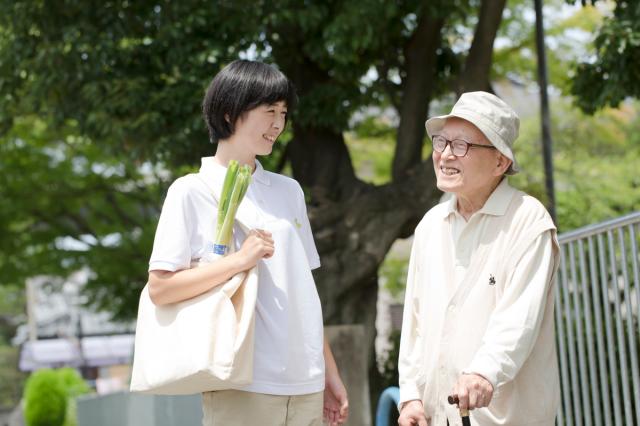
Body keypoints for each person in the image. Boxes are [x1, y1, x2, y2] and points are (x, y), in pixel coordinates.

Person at [147, 59, 349, 426]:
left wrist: (328, 372)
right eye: (269, 110)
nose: (278, 124)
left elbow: (303, 292)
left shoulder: (289, 191)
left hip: (306, 382)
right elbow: (160, 288)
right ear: (229, 113)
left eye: (283, 112)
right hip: (243, 382)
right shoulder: (191, 191)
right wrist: (239, 260)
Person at [397, 91, 560, 426]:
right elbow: (414, 323)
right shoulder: (430, 225)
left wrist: (484, 373)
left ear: (500, 162)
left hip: (501, 417)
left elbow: (519, 319)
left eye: (461, 146)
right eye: (441, 142)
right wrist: (411, 396)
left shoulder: (527, 220)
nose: (444, 155)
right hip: (435, 416)